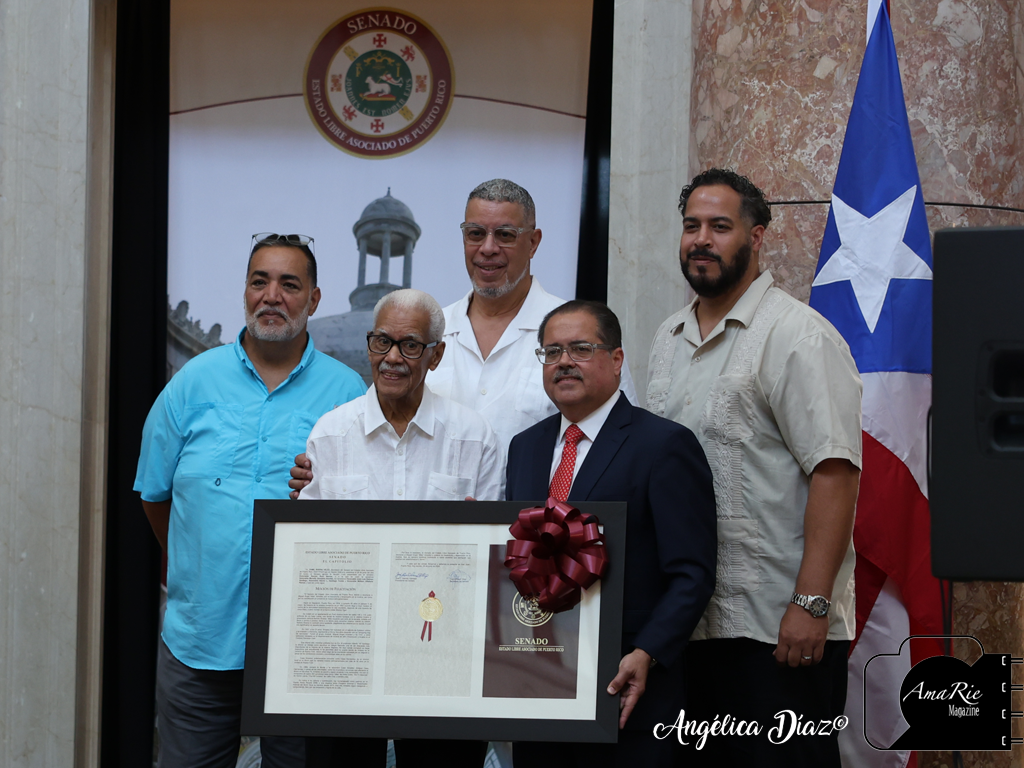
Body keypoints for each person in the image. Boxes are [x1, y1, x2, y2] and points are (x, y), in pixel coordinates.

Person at [646, 168, 862, 766]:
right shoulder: (668, 335)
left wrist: (812, 604)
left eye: (720, 226)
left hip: (780, 632)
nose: (701, 240)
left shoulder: (799, 336)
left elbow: (836, 473)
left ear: (757, 236)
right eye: (691, 226)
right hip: (690, 629)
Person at [134, 233, 366, 768]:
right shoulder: (192, 383)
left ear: (314, 298)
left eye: (289, 284)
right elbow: (155, 495)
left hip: (304, 656)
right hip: (199, 647)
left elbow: (365, 512)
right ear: (244, 291)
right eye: (259, 281)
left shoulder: (349, 395)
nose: (272, 296)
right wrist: (198, 568)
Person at [505, 300, 717, 768]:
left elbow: (692, 572)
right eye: (552, 351)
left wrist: (648, 652)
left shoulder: (664, 445)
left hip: (627, 689)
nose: (563, 361)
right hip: (537, 686)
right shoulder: (526, 447)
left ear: (616, 360)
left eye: (581, 348)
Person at [299, 288, 504, 768]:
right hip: (346, 663)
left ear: (436, 355)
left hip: (444, 661)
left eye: (410, 345)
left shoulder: (474, 437)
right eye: (381, 342)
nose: (392, 358)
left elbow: (494, 560)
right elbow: (309, 560)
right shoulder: (329, 435)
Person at [425, 178, 638, 451]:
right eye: (476, 233)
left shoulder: (582, 333)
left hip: (547, 495)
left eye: (505, 235)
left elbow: (624, 438)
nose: (488, 248)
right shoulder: (430, 332)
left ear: (533, 243)